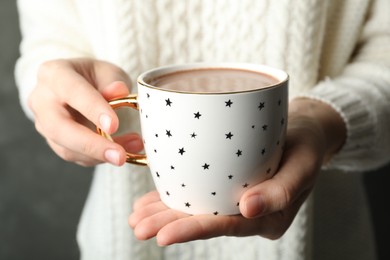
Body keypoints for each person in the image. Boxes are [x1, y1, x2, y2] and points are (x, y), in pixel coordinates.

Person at [15, 0, 390, 259]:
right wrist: (60, 96)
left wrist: (319, 121)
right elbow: (49, 42)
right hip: (123, 242)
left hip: (320, 241)